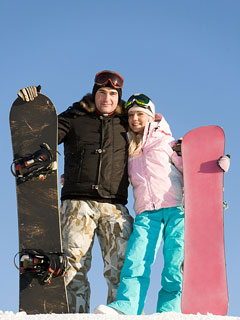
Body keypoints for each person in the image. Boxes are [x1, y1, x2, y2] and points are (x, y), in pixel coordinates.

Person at [94, 93, 230, 315]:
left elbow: (193, 168)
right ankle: (127, 307)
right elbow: (115, 177)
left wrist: (215, 165)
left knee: (174, 264)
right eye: (130, 115)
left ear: (150, 116)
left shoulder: (169, 142)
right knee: (136, 260)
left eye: (140, 114)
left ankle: (169, 311)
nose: (135, 119)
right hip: (147, 213)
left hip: (177, 209)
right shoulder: (128, 148)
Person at [17, 71, 134, 313]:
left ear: (118, 97)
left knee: (121, 268)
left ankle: (120, 314)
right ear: (95, 94)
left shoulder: (128, 122)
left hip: (115, 206)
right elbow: (43, 134)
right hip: (77, 204)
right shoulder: (76, 116)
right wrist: (31, 107)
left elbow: (156, 140)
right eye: (102, 92)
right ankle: (74, 315)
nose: (107, 98)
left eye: (113, 94)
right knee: (73, 266)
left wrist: (184, 146)